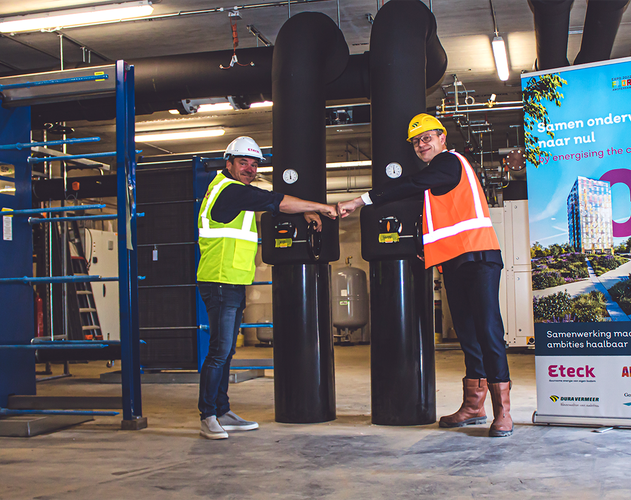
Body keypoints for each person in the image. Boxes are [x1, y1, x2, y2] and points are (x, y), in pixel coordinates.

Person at [337, 114, 512, 437]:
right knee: (468, 334)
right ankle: (474, 406)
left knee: (488, 331)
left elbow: (410, 185)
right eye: (416, 142)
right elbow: (438, 218)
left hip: (479, 258)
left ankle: (503, 412)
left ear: (442, 138)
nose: (420, 145)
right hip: (455, 262)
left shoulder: (449, 162)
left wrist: (360, 201)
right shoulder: (437, 177)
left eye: (426, 138)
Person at [197, 136, 338, 439]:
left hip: (232, 280)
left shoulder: (235, 191)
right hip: (220, 279)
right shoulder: (229, 190)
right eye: (243, 162)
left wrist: (302, 213)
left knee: (227, 350)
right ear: (229, 163)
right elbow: (276, 201)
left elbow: (272, 204)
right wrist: (322, 208)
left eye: (253, 164)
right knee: (220, 351)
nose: (249, 168)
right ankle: (207, 414)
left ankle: (222, 411)